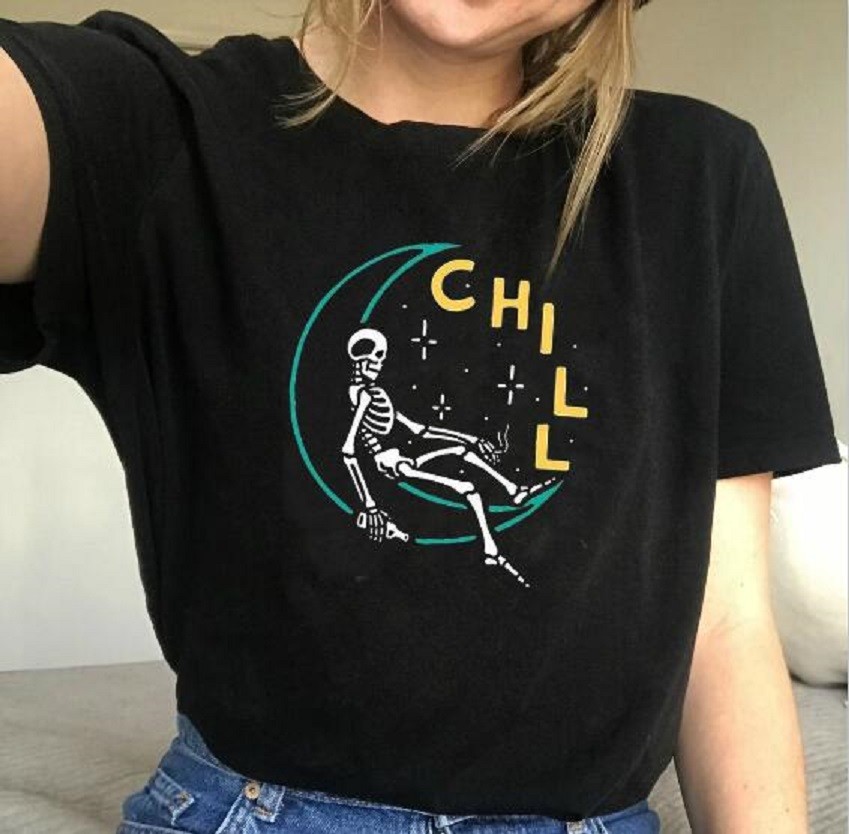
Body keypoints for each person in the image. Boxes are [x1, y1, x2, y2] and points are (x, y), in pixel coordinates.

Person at [0, 1, 841, 832]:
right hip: (261, 807)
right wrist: (371, 498)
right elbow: (354, 447)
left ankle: (499, 490)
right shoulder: (159, 125)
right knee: (463, 472)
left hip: (588, 815)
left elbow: (725, 619)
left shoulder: (699, 175)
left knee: (466, 453)